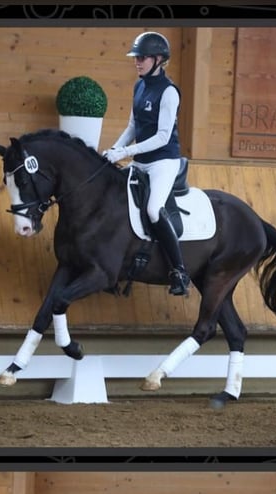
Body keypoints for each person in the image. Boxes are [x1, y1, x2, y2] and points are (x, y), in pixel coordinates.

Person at [103, 31, 190, 296]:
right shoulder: (139, 86)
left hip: (163, 162)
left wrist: (125, 152)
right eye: (136, 57)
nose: (137, 62)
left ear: (159, 59)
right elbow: (133, 126)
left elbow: (162, 137)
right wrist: (115, 150)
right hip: (140, 161)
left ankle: (179, 271)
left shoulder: (169, 93)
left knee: (153, 209)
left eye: (141, 57)